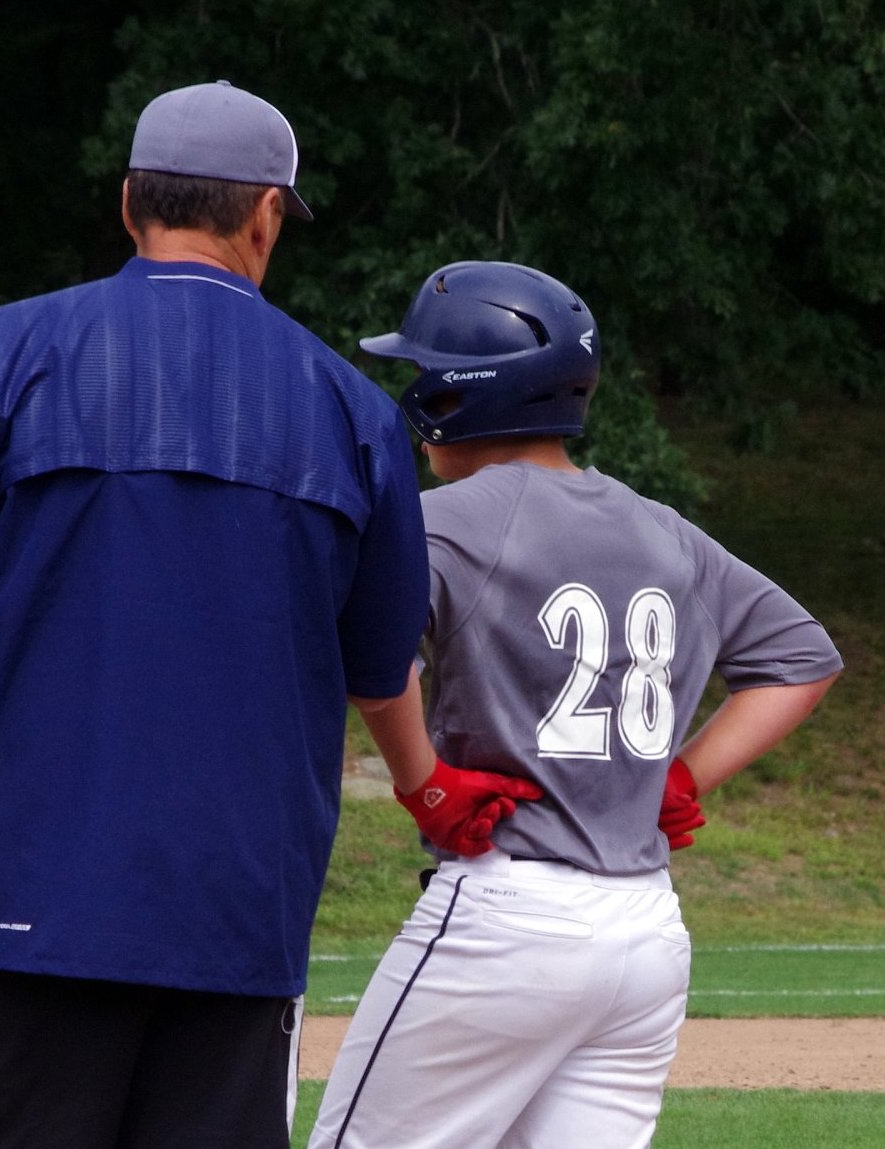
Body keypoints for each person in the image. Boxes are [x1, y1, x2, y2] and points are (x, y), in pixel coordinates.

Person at [0, 83, 535, 1149]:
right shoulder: (351, 409)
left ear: (128, 206)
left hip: (25, 911)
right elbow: (381, 665)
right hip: (240, 924)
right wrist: (424, 786)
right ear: (263, 215)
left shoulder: (3, 355)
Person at [309, 260, 843, 1149]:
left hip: (505, 913)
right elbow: (804, 659)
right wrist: (682, 775)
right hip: (644, 931)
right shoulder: (663, 529)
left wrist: (422, 780)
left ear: (460, 393)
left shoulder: (442, 519)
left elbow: (376, 655)